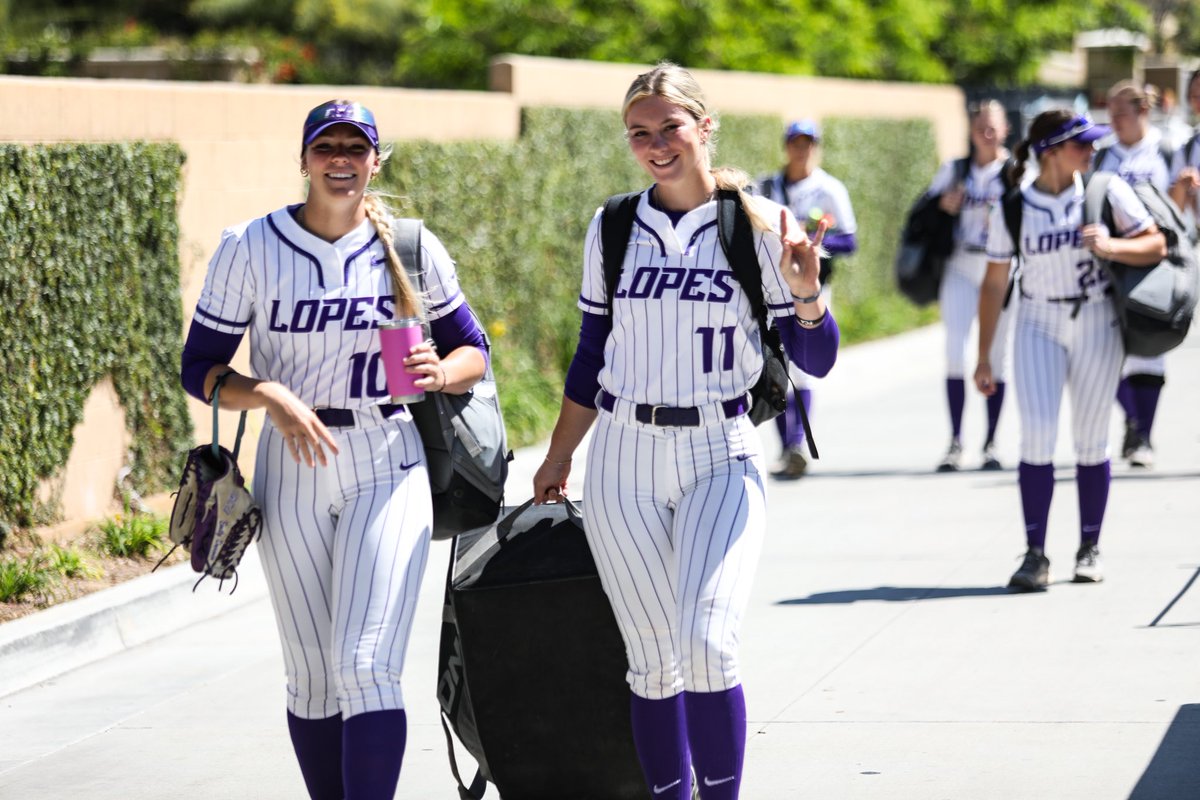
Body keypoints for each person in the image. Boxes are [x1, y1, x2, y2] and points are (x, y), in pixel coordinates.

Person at [532, 63, 838, 800]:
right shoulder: (611, 225)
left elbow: (816, 360)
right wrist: (558, 454)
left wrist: (806, 294)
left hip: (717, 449)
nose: (656, 144)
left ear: (705, 126)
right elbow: (590, 352)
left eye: (670, 126)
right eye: (640, 132)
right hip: (623, 455)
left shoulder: (760, 224)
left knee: (706, 647)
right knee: (650, 661)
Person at [178, 99, 488, 799]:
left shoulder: (409, 245)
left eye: (356, 147)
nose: (341, 158)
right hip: (292, 462)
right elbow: (200, 366)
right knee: (314, 676)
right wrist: (265, 394)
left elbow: (474, 349)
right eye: (327, 146)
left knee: (367, 665)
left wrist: (444, 371)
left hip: (388, 453)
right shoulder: (249, 246)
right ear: (304, 159)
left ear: (377, 160)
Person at [976, 110, 1166, 592]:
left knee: (1091, 437)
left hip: (1096, 318)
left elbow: (1157, 244)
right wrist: (984, 356)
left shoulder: (1104, 192)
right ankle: (1036, 555)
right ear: (1051, 151)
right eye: (1081, 143)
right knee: (1037, 433)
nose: (1091, 150)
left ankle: (1089, 547)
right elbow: (995, 280)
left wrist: (1112, 247)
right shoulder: (1014, 207)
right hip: (1038, 321)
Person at [755, 119, 857, 479]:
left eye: (809, 143)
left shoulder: (829, 188)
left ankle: (796, 443)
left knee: (803, 368)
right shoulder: (765, 185)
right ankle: (787, 448)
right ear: (786, 146)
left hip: (812, 286)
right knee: (776, 367)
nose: (803, 149)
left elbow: (849, 240)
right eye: (796, 142)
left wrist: (812, 238)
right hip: (772, 285)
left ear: (817, 146)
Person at [926, 100, 1016, 472]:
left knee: (995, 356)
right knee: (955, 351)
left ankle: (991, 441)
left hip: (1000, 267)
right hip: (962, 263)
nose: (986, 132)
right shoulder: (956, 170)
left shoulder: (1014, 171)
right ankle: (956, 440)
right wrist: (942, 205)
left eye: (993, 126)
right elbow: (923, 211)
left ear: (1005, 129)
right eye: (980, 125)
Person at [1095, 80, 1172, 469]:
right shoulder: (1102, 156)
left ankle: (1142, 435)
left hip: (1158, 260)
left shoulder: (1167, 148)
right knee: (1107, 351)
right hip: (1111, 261)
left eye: (1121, 114)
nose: (1114, 122)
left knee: (1150, 349)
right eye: (1110, 114)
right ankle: (1132, 419)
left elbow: (1180, 212)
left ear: (1142, 111)